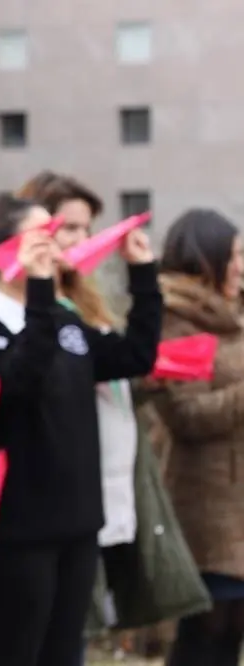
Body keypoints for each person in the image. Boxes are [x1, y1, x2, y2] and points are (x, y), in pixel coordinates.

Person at [0, 194, 162, 666]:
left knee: (63, 656)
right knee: (15, 653)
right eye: (43, 236)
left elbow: (134, 357)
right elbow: (22, 382)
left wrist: (143, 276)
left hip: (77, 526)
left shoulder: (63, 320)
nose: (57, 246)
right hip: (16, 533)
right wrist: (39, 293)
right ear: (4, 253)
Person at [152, 210, 244, 666]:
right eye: (234, 255)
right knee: (208, 637)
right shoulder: (174, 321)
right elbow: (186, 415)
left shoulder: (236, 316)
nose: (241, 266)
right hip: (208, 510)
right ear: (205, 260)